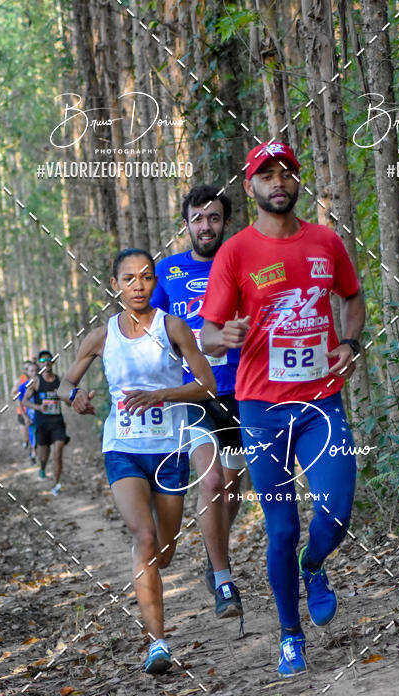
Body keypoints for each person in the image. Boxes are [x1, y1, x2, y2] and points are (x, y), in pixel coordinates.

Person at [201, 141, 365, 678]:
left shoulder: (325, 242)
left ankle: (314, 565)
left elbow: (352, 296)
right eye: (265, 174)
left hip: (320, 401)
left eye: (286, 173)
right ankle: (290, 635)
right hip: (260, 410)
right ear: (250, 187)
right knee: (281, 527)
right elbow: (206, 335)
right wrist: (222, 335)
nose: (278, 181)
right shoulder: (236, 252)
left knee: (337, 505)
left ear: (297, 182)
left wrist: (351, 342)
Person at [58, 249, 216, 674]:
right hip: (123, 448)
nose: (139, 285)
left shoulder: (174, 327)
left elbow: (208, 384)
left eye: (146, 277)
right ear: (116, 285)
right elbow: (65, 383)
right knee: (143, 539)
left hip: (169, 449)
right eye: (129, 279)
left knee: (163, 552)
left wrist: (162, 395)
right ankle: (157, 644)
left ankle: (159, 568)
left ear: (154, 282)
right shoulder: (103, 335)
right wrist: (77, 396)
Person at [151, 185, 244, 620]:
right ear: (185, 223)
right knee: (209, 483)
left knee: (230, 487)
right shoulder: (167, 271)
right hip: (193, 394)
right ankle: (225, 581)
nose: (206, 226)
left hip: (242, 390)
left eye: (214, 218)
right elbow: (150, 328)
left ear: (225, 223)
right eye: (198, 218)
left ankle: (214, 554)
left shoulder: (242, 261)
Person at [24, 351, 68, 495]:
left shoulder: (58, 380)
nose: (46, 362)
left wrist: (69, 398)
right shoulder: (36, 381)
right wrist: (38, 407)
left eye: (49, 360)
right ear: (40, 363)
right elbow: (24, 400)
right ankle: (42, 467)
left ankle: (57, 484)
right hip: (42, 424)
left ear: (52, 363)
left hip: (57, 423)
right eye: (43, 360)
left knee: (58, 452)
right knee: (44, 455)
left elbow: (67, 402)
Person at [20, 361, 39, 463]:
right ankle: (33, 454)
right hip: (31, 416)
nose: (34, 373)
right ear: (27, 372)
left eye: (36, 370)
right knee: (33, 435)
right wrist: (25, 417)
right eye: (31, 371)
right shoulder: (23, 386)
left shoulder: (42, 384)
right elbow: (20, 403)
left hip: (42, 415)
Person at [12, 362, 32, 449]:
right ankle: (26, 442)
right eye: (25, 368)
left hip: (34, 409)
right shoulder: (20, 380)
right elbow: (13, 394)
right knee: (25, 430)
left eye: (29, 368)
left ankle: (34, 451)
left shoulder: (36, 378)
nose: (27, 370)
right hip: (22, 409)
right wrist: (20, 396)